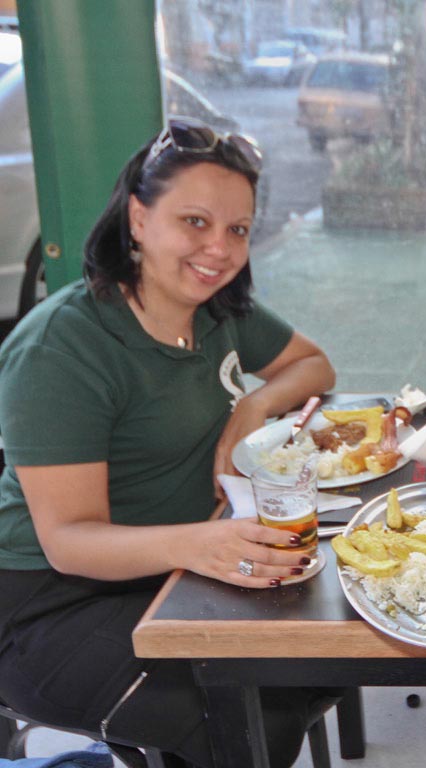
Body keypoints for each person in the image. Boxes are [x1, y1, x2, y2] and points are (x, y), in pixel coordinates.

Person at [0, 119, 338, 767]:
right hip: (50, 606)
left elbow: (315, 365)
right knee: (254, 715)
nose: (219, 248)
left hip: (173, 568)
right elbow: (68, 540)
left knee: (324, 650)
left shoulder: (217, 310)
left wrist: (254, 405)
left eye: (237, 229)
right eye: (194, 221)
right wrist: (198, 543)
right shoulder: (61, 348)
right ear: (138, 219)